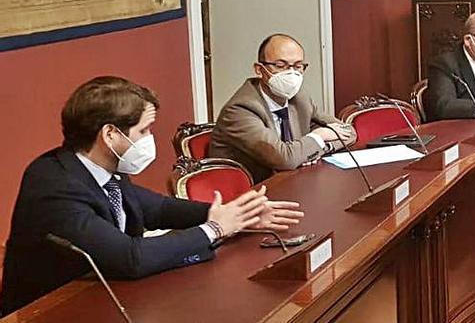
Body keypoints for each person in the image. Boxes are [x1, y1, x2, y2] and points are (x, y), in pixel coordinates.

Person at [0, 76, 303, 315]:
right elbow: (129, 257)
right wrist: (215, 229)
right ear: (110, 135)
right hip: (52, 311)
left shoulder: (104, 168)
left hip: (107, 297)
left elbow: (156, 208)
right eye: (144, 131)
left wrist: (234, 214)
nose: (149, 140)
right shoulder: (54, 185)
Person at [209, 34, 356, 183]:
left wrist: (316, 150)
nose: (291, 73)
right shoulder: (240, 110)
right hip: (249, 194)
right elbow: (285, 159)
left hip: (292, 182)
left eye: (298, 66)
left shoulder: (299, 99)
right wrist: (320, 136)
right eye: (280, 66)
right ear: (259, 70)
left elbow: (348, 132)